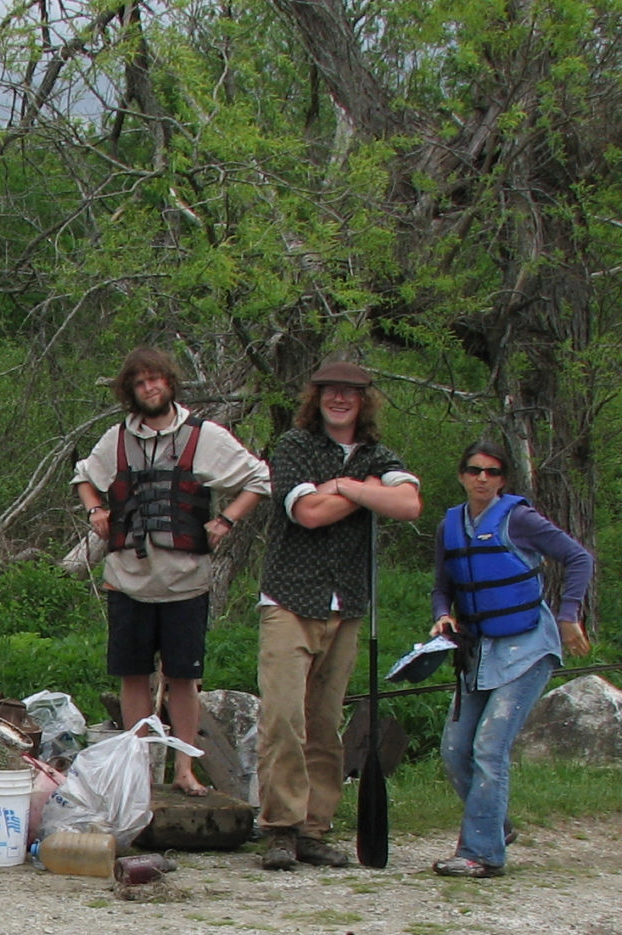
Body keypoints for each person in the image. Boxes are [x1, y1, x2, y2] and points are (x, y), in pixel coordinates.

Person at [72, 346, 270, 796]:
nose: (150, 387)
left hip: (185, 581)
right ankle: (138, 768)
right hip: (128, 579)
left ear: (170, 382)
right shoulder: (117, 439)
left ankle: (184, 768)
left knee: (183, 678)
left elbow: (259, 478)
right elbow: (83, 476)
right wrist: (95, 510)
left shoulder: (205, 437)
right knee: (133, 674)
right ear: (131, 391)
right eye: (141, 382)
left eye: (156, 379)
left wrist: (226, 520)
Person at [255, 360, 421, 871]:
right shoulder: (294, 446)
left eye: (351, 392)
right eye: (331, 391)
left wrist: (342, 487)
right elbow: (308, 513)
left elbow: (409, 503)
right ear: (317, 396)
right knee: (283, 716)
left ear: (364, 399)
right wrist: (364, 489)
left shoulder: (377, 453)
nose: (340, 399)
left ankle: (314, 828)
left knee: (325, 721)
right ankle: (281, 827)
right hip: (289, 598)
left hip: (347, 603)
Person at [427, 440, 592, 877]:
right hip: (477, 652)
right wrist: (442, 616)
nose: (483, 477)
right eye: (475, 469)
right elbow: (442, 585)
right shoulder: (450, 525)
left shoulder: (519, 519)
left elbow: (578, 558)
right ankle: (495, 826)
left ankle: (481, 854)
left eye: (493, 471)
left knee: (489, 747)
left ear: (503, 479)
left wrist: (569, 614)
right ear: (462, 474)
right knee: (454, 750)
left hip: (528, 648)